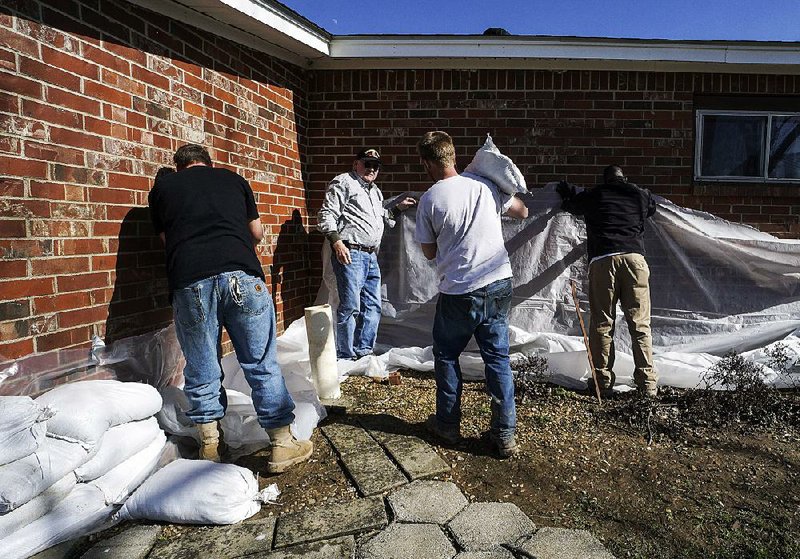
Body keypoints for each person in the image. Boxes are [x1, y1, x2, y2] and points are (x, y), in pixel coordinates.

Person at [148, 144, 312, 473]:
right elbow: (256, 232)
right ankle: (281, 444)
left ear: (179, 167)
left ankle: (210, 445)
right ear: (208, 163)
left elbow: (169, 241)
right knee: (261, 363)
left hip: (190, 282)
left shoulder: (163, 189)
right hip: (241, 275)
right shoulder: (232, 179)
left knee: (201, 368)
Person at [415, 131, 529, 458]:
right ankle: (504, 435)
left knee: (447, 356)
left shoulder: (431, 199)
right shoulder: (484, 186)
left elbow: (427, 252)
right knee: (497, 360)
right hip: (498, 284)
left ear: (427, 163)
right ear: (453, 155)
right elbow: (521, 211)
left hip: (460, 292)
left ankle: (448, 426)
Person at [556, 164, 658, 398]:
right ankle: (647, 384)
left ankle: (601, 382)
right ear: (624, 178)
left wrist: (568, 194)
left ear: (604, 180)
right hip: (634, 260)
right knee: (640, 324)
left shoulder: (595, 195)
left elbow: (571, 206)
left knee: (602, 324)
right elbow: (651, 207)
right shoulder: (639, 194)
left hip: (603, 261)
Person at [317, 148, 416, 360]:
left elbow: (383, 219)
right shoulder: (343, 182)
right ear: (356, 164)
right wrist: (337, 242)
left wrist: (398, 208)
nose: (371, 169)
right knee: (350, 305)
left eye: (375, 166)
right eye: (367, 163)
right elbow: (327, 214)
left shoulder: (375, 191)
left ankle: (363, 351)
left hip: (371, 256)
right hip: (350, 252)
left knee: (373, 305)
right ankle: (345, 355)